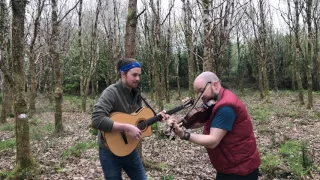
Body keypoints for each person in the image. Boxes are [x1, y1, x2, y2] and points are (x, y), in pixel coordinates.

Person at [167, 71, 261, 180]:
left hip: (239, 171)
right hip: (230, 166)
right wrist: (177, 122)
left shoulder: (226, 107)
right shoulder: (219, 99)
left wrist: (184, 135)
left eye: (201, 91)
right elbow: (203, 121)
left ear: (215, 85)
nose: (199, 96)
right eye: (197, 92)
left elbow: (213, 141)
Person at [92, 57, 168, 180]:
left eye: (139, 75)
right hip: (109, 151)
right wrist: (126, 127)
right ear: (123, 74)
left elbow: (136, 117)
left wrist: (156, 117)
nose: (137, 78)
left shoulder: (136, 93)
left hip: (130, 149)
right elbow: (96, 119)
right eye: (134, 75)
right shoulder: (111, 92)